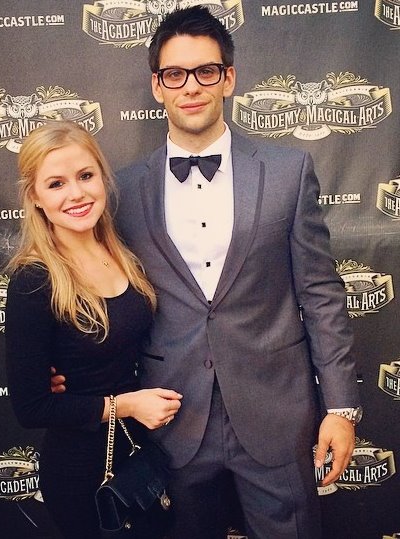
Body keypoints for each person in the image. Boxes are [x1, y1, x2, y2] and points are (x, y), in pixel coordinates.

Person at [53, 6, 361, 538]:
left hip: (276, 414)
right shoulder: (123, 191)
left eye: (206, 71)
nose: (190, 86)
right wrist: (66, 368)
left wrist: (341, 407)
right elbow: (93, 281)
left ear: (230, 78)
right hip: (170, 418)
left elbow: (322, 294)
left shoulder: (288, 173)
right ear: (157, 86)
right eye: (175, 74)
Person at [4, 121, 182, 539]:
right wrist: (127, 405)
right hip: (81, 469)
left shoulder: (120, 250)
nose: (77, 194)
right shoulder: (35, 279)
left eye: (86, 176)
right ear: (35, 197)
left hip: (139, 454)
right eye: (56, 183)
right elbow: (31, 408)